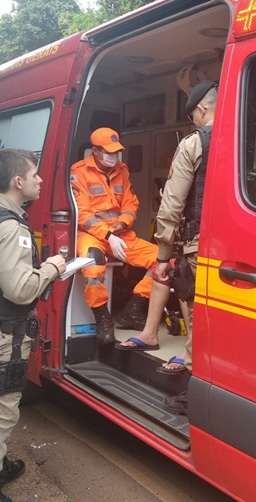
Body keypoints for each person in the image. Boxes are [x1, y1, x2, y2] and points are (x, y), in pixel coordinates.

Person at [0, 148, 66, 502]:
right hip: (2, 337)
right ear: (18, 182)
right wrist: (52, 266)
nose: (39, 180)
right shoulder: (10, 227)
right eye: (34, 175)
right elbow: (19, 290)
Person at [155, 80, 217, 414]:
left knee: (199, 321)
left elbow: (172, 205)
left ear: (202, 109)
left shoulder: (195, 143)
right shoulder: (243, 140)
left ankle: (193, 395)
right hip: (240, 247)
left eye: (192, 113)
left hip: (202, 248)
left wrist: (164, 255)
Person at [70, 127, 158, 346]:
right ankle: (103, 320)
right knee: (93, 263)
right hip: (92, 234)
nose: (114, 156)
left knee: (165, 261)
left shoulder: (122, 170)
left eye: (116, 151)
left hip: (120, 233)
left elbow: (130, 204)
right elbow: (83, 215)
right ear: (96, 151)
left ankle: (134, 309)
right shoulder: (78, 172)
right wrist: (107, 234)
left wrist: (121, 224)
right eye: (108, 151)